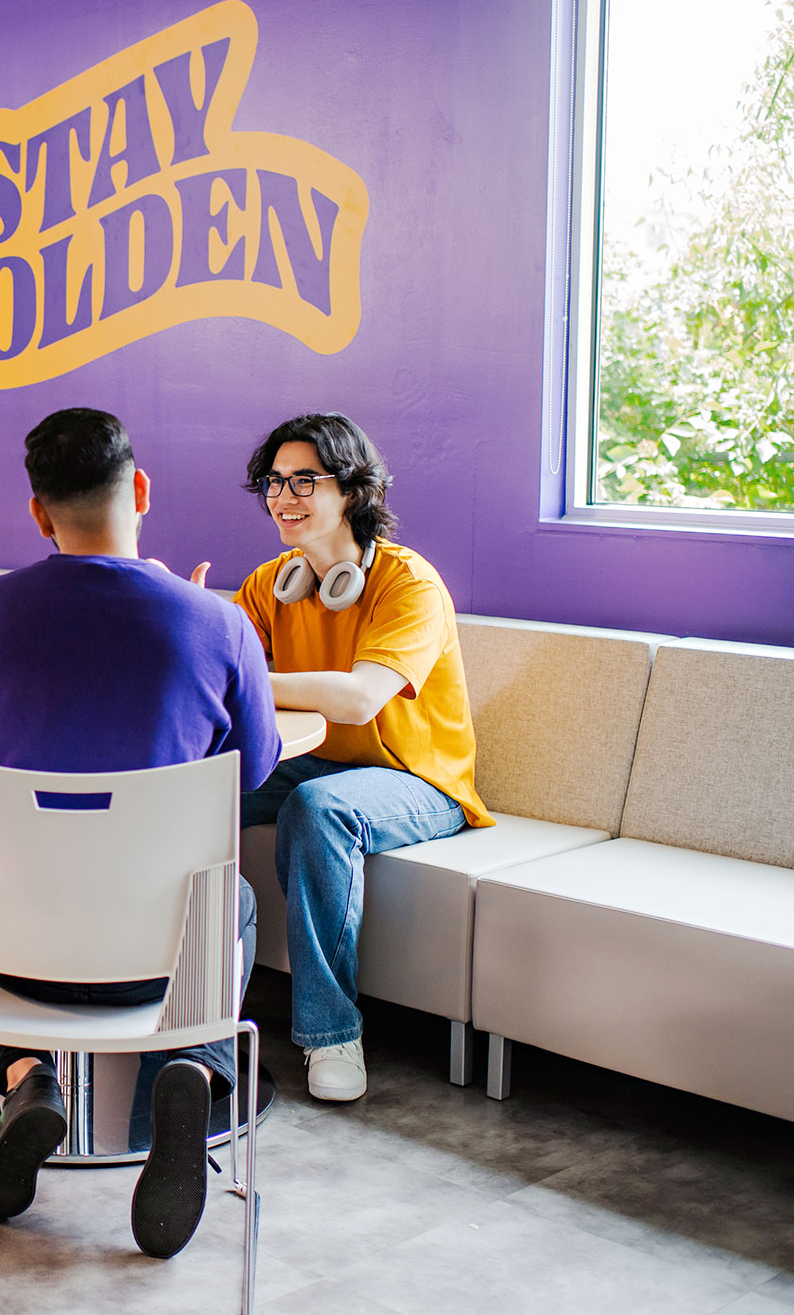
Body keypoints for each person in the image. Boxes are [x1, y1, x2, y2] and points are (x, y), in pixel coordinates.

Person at [0, 407, 282, 1260]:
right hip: (161, 960)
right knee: (234, 899)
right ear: (139, 489)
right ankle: (194, 1063)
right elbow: (252, 774)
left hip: (7, 961)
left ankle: (29, 1077)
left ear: (38, 514)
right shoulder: (219, 624)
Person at [231, 412, 488, 1102]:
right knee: (201, 786)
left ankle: (331, 1032)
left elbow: (360, 699)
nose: (283, 497)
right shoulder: (270, 584)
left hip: (416, 778)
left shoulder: (410, 584)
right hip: (319, 763)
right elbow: (223, 672)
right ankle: (178, 998)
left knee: (317, 808)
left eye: (303, 480)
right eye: (274, 482)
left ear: (352, 489)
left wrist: (252, 676)